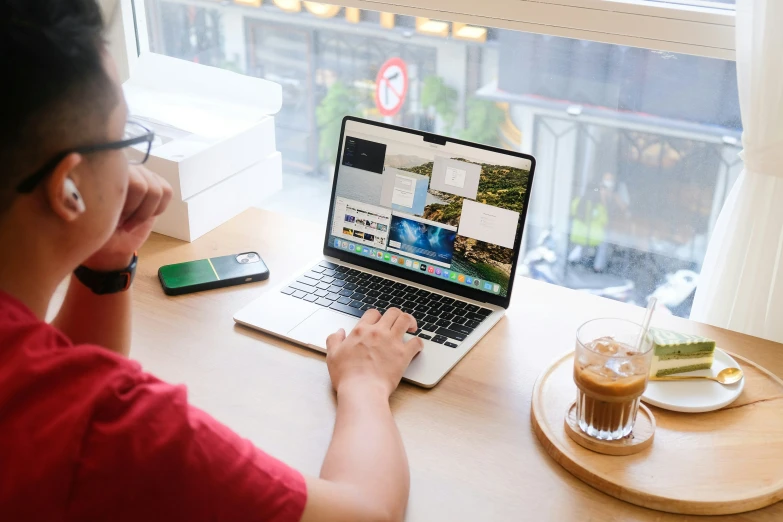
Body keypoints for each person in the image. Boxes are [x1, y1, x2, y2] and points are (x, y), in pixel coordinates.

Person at [0, 2, 423, 521]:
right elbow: (368, 514)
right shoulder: (124, 430)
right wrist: (364, 383)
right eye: (124, 137)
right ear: (68, 188)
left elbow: (59, 399)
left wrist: (107, 266)